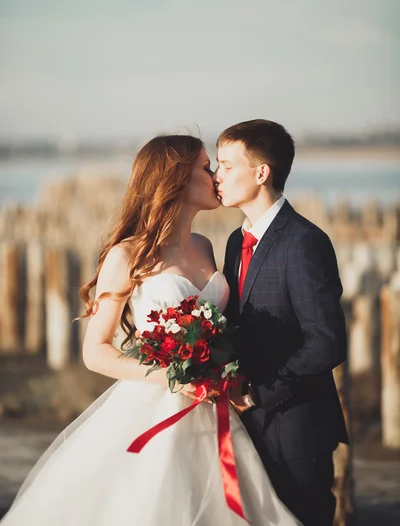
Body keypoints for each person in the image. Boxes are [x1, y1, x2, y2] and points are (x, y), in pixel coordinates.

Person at [1, 134, 300, 526]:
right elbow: (96, 351)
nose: (214, 177)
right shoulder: (127, 254)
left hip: (214, 406)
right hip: (155, 402)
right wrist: (172, 378)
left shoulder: (206, 246)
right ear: (175, 180)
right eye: (205, 168)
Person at [214, 119, 348, 526]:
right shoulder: (236, 242)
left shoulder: (304, 241)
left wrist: (259, 394)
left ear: (261, 173)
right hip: (243, 428)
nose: (216, 176)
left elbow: (326, 343)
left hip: (295, 430)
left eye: (226, 166)